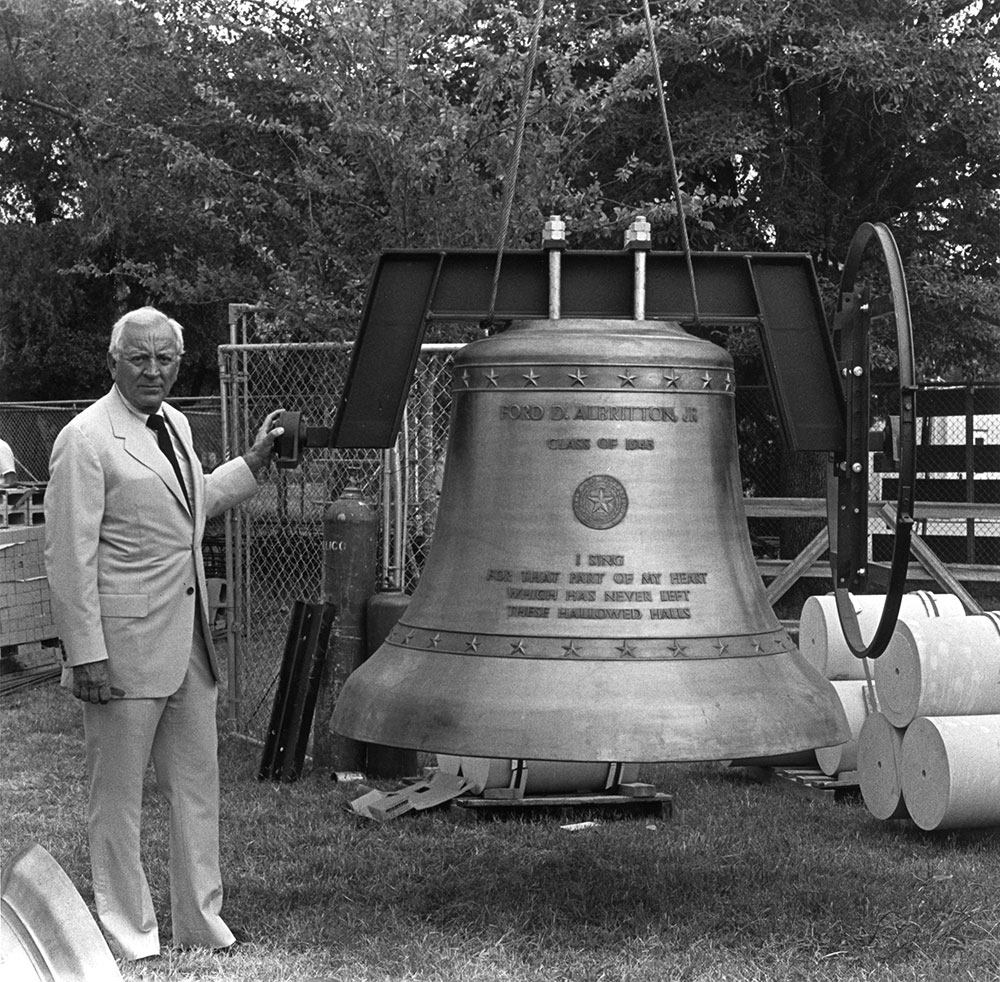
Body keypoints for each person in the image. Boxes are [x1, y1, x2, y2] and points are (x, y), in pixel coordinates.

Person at [43, 306, 284, 961]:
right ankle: (129, 933)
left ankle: (201, 926)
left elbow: (190, 505)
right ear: (113, 361)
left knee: (196, 795)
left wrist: (254, 464)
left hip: (189, 648)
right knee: (116, 803)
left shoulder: (174, 423)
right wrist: (85, 653)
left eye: (166, 359)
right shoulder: (86, 438)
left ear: (180, 362)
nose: (154, 370)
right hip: (119, 655)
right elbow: (69, 557)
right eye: (140, 358)